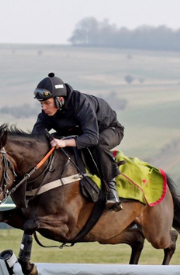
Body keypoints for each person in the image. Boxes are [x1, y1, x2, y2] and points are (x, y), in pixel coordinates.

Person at [32, 72, 124, 211]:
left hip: (107, 131)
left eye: (46, 103)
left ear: (60, 100)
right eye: (41, 104)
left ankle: (111, 189)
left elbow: (92, 138)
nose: (43, 108)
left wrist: (64, 142)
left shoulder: (81, 103)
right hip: (79, 133)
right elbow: (36, 137)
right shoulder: (47, 112)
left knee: (98, 144)